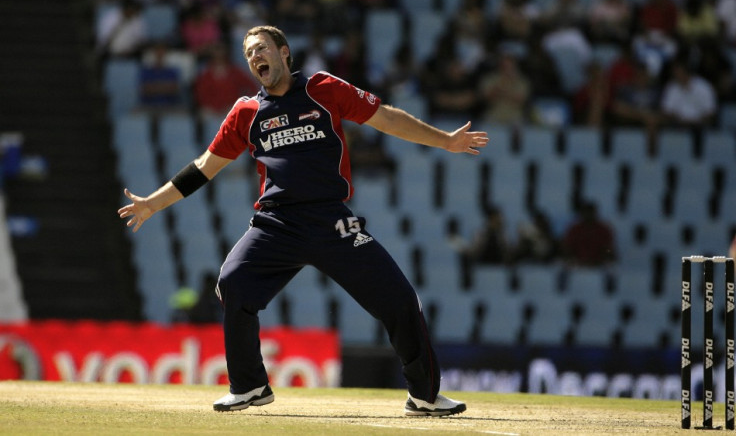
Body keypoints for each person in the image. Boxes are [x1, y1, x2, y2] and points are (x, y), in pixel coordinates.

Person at [118, 25, 486, 416]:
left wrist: (445, 140)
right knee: (233, 283)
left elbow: (387, 119)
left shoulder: (324, 89)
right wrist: (153, 204)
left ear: (283, 53)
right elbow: (204, 167)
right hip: (276, 224)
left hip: (332, 221)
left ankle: (424, 396)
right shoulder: (246, 112)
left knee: (399, 299)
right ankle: (250, 386)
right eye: (249, 53)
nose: (255, 56)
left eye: (262, 48)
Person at [562, 201, 616, 267]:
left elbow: (608, 248)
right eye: (586, 212)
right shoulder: (575, 229)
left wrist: (605, 257)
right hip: (578, 266)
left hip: (598, 265)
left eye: (590, 213)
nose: (588, 215)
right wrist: (571, 258)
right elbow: (568, 246)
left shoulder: (603, 229)